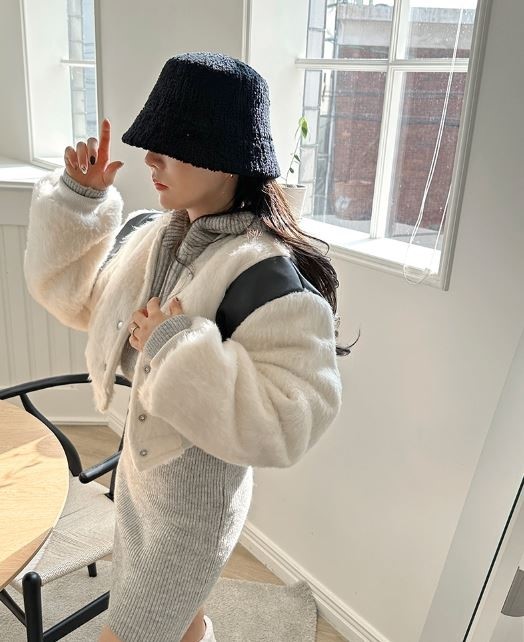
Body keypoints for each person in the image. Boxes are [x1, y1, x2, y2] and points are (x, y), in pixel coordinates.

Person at [23, 52, 352, 642]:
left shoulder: (264, 274)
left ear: (226, 157)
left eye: (171, 144)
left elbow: (288, 422)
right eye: (152, 142)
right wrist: (79, 202)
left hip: (193, 510)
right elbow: (83, 306)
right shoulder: (157, 237)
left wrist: (173, 345)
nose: (150, 157)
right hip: (140, 478)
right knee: (182, 626)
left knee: (134, 629)